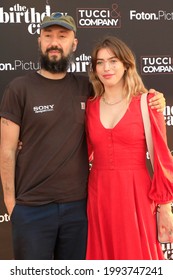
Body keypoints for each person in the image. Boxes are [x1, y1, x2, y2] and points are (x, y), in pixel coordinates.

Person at [0, 13, 165, 260]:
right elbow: (8, 149)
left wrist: (156, 98)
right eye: (48, 36)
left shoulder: (85, 89)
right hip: (37, 207)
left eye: (62, 36)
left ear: (74, 44)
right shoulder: (20, 88)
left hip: (83, 208)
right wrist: (12, 205)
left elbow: (122, 99)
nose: (54, 42)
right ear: (39, 41)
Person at [85, 36, 173, 260]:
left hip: (136, 194)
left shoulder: (148, 102)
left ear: (126, 64)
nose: (107, 68)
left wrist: (165, 207)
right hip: (99, 194)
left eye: (113, 61)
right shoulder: (90, 107)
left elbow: (162, 159)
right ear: (94, 69)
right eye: (100, 62)